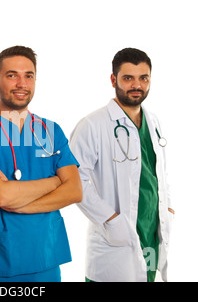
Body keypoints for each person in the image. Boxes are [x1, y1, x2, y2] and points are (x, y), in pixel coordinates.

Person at [0, 45, 82, 282]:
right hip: (1, 263)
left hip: (47, 261)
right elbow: (1, 196)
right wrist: (56, 180)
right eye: (12, 75)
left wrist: (19, 205)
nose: (22, 83)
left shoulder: (51, 131)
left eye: (28, 76)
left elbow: (75, 191)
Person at [69, 48, 174, 282]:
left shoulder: (153, 121)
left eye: (143, 78)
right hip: (114, 240)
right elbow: (74, 181)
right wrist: (110, 219)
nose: (136, 85)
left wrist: (168, 209)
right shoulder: (92, 124)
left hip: (150, 233)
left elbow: (160, 173)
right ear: (113, 80)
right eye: (128, 78)